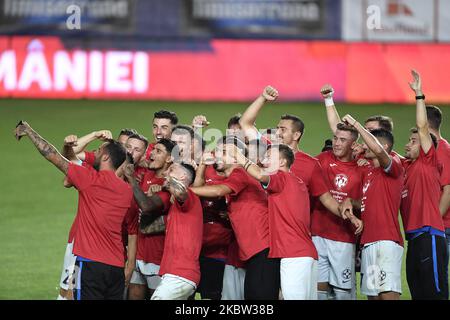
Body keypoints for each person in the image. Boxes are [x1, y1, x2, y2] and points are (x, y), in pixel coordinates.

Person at [228, 142, 363, 300]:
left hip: (293, 255)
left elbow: (258, 175)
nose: (264, 160)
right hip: (307, 255)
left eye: (269, 157)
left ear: (282, 162)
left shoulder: (281, 178)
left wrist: (238, 155)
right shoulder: (297, 182)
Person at [14, 122, 133, 299]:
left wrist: (29, 131)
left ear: (106, 157)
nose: (95, 153)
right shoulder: (126, 190)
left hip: (87, 263)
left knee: (73, 295)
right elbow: (71, 159)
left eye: (99, 150)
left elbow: (53, 155)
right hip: (115, 266)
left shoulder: (90, 179)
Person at [238, 86, 355, 218]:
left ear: (296, 135)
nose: (277, 133)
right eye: (277, 128)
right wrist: (263, 98)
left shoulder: (311, 164)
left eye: (283, 129)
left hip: (294, 230)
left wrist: (348, 215)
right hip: (266, 226)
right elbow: (245, 123)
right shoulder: (268, 149)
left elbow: (326, 198)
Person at [190, 137, 278, 300]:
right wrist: (202, 166)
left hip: (263, 249)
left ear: (237, 156)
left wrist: (185, 191)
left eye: (224, 152)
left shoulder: (241, 172)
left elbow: (217, 191)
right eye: (217, 151)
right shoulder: (234, 177)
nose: (217, 155)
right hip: (256, 250)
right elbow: (200, 190)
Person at [341, 114, 404, 300]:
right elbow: (367, 202)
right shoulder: (369, 171)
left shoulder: (394, 166)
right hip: (368, 242)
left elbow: (375, 147)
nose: (364, 145)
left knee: (387, 294)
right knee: (373, 296)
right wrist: (350, 202)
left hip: (386, 241)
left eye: (369, 141)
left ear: (383, 148)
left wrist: (356, 124)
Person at [400, 70, 448, 300]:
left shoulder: (428, 160)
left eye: (413, 140)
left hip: (429, 233)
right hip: (414, 238)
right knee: (418, 293)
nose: (407, 144)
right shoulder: (408, 166)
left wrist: (419, 95)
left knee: (434, 293)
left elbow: (422, 128)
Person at [312, 122, 365, 300]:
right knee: (318, 289)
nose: (336, 143)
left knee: (342, 292)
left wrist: (353, 206)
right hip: (318, 233)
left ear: (353, 144)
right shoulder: (321, 160)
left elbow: (367, 201)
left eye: (343, 140)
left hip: (343, 238)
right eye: (335, 138)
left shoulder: (363, 167)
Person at [124, 139, 175, 299]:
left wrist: (131, 179)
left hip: (157, 260)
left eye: (158, 151)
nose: (152, 153)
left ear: (169, 158)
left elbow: (146, 206)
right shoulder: (146, 175)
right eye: (153, 150)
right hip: (138, 256)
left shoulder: (169, 186)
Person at [149, 163, 203, 300]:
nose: (166, 172)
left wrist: (168, 182)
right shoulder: (176, 207)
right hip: (176, 274)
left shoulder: (190, 195)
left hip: (180, 274)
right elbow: (146, 227)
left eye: (171, 169)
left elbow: (181, 192)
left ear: (183, 176)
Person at [193, 152, 233, 300]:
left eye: (225, 152)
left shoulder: (236, 175)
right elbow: (196, 194)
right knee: (187, 293)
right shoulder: (207, 168)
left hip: (219, 252)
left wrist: (231, 216)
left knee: (211, 295)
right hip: (197, 249)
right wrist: (202, 165)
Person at [426, 105, 450, 255]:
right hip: (432, 225)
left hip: (441, 227)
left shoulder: (443, 151)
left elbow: (448, 190)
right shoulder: (432, 149)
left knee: (438, 275)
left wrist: (435, 221)